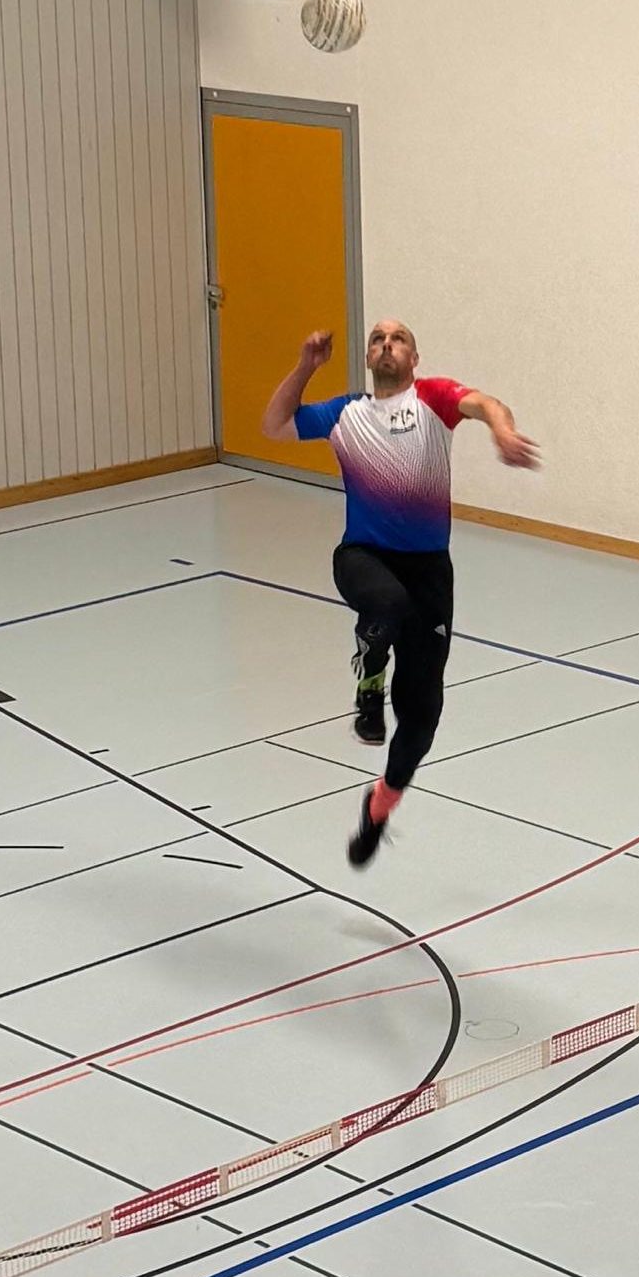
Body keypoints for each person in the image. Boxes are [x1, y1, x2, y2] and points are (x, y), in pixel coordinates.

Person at [264, 318, 539, 868]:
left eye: (398, 339)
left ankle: (380, 806)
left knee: (422, 717)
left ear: (414, 358)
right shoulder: (346, 413)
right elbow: (275, 425)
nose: (386, 344)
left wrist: (502, 431)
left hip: (429, 573)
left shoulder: (433, 399)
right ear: (369, 358)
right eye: (377, 339)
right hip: (363, 557)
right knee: (386, 605)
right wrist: (305, 367)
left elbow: (487, 404)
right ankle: (369, 686)